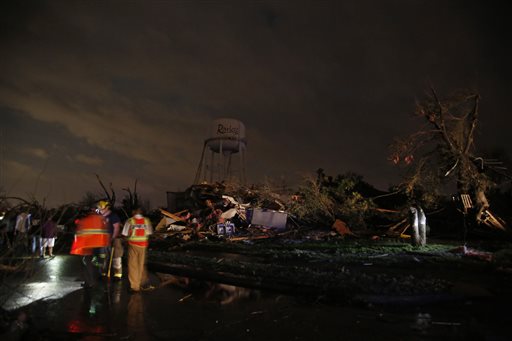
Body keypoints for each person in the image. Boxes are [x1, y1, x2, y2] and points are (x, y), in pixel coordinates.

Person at [70, 209, 111, 288]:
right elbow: (107, 232)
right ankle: (100, 278)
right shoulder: (102, 220)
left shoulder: (85, 221)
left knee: (88, 265)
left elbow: (79, 234)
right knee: (99, 263)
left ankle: (90, 282)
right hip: (101, 247)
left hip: (88, 248)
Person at [122, 208, 153, 293]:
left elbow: (124, 233)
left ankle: (135, 286)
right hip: (143, 245)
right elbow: (149, 233)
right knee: (141, 263)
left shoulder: (130, 221)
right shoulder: (146, 221)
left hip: (133, 244)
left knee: (133, 265)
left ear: (133, 212)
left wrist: (126, 240)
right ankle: (143, 282)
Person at [96, 200, 123, 279]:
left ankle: (117, 275)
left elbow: (116, 227)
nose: (101, 211)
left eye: (102, 209)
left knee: (116, 257)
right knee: (102, 256)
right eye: (100, 209)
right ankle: (103, 273)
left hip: (113, 239)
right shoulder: (99, 216)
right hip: (103, 240)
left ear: (107, 208)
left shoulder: (113, 216)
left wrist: (113, 238)